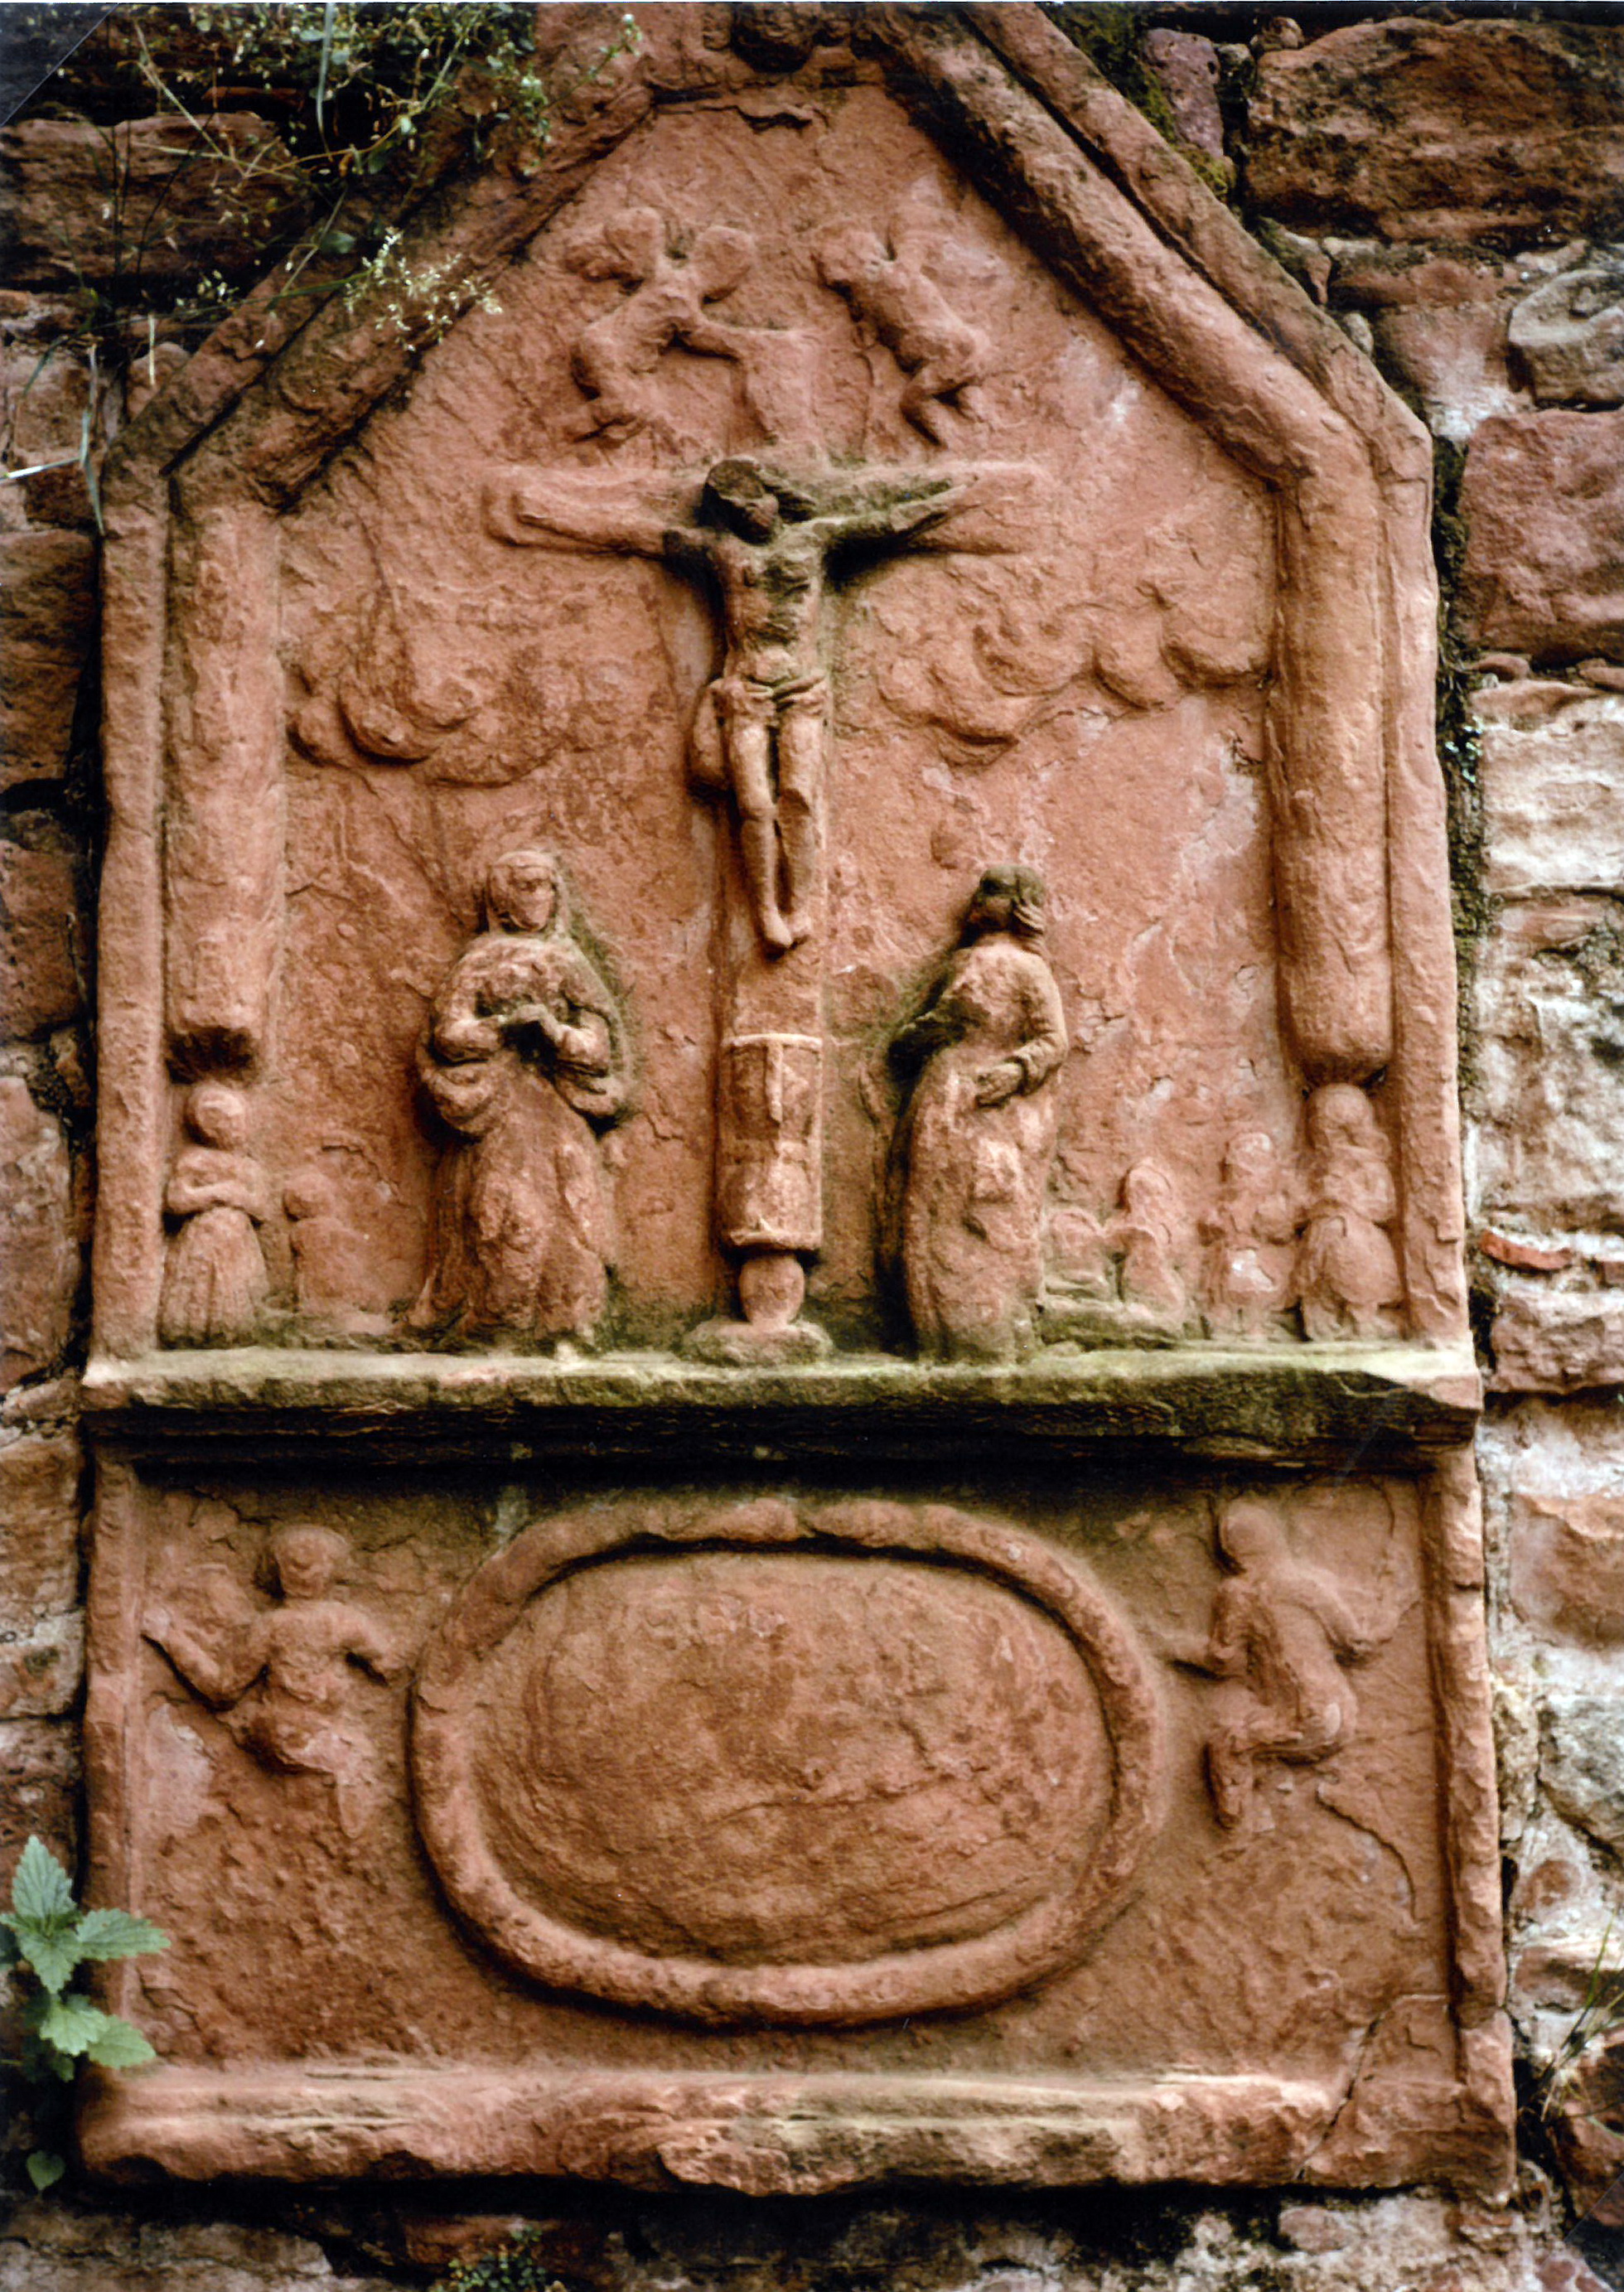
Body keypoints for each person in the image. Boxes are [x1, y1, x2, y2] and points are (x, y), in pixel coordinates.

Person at [407, 849, 631, 1347]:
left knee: (576, 1213)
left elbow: (600, 1048)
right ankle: (496, 1323)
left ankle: (568, 1324)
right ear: (502, 900)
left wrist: (553, 1033)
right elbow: (448, 1033)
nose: (539, 897)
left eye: (546, 886)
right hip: (497, 1110)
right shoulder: (481, 960)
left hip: (556, 1108)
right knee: (503, 1212)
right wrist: (503, 1027)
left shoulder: (568, 961)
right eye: (526, 887)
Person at [887, 865, 1068, 1361]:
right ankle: (933, 1337)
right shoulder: (958, 965)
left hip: (994, 1110)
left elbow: (1054, 1040)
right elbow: (902, 1044)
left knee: (985, 1216)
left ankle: (988, 1338)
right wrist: (930, 1033)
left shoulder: (1029, 969)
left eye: (993, 891)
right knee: (927, 1210)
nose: (979, 898)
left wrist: (1015, 1070)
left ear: (1016, 904)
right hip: (941, 1097)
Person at [148, 1523, 399, 1839]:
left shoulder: (276, 1626)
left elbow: (223, 1688)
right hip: (290, 1738)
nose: (303, 1571)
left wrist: (170, 1636)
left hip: (284, 1735)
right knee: (358, 1767)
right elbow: (389, 1663)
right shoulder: (342, 1622)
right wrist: (170, 1637)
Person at [1180, 1500, 1394, 1830]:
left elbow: (1222, 1659)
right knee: (1247, 1735)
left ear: (1233, 1552)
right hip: (1338, 1711)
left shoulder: (1239, 1593)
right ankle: (1271, 1805)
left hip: (1306, 1720)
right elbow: (1358, 1642)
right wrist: (1392, 1610)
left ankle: (1233, 1825)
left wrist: (1172, 1646)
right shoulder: (1307, 1585)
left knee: (1228, 1744)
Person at [157, 1081, 272, 1346]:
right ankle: (195, 1334)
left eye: (240, 1123)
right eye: (231, 1124)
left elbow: (261, 1209)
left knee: (235, 1293)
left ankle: (239, 1332)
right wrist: (217, 1193)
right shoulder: (194, 1160)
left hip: (238, 1243)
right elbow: (176, 1200)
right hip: (203, 1240)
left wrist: (239, 1197)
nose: (239, 1130)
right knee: (201, 1290)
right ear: (209, 1129)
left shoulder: (248, 1167)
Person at [1297, 1083, 1403, 1341]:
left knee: (1358, 1278)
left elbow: (1385, 1206)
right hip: (1323, 1232)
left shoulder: (1367, 1163)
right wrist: (1317, 1203)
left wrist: (1349, 1199)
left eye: (1329, 1125)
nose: (1322, 1132)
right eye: (1317, 1124)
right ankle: (1324, 1325)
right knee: (1320, 1282)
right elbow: (1302, 1201)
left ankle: (1362, 1322)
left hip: (1357, 1234)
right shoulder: (1316, 1165)